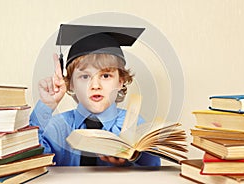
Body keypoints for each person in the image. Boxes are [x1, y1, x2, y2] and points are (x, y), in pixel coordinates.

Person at [30, 24, 161, 166]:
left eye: (105, 75)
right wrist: (46, 106)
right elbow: (31, 160)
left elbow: (152, 168)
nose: (95, 85)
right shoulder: (58, 126)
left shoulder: (135, 125)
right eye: (85, 77)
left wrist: (129, 164)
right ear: (70, 83)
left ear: (120, 81)